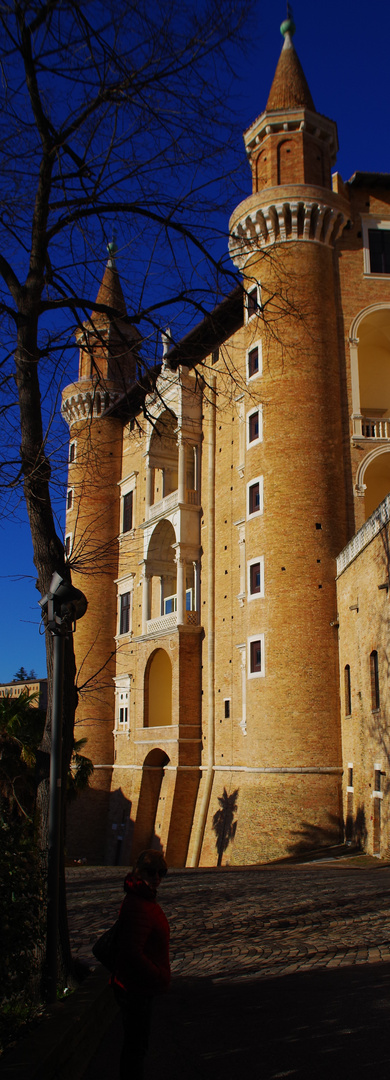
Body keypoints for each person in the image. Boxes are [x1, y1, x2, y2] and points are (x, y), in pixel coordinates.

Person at [111, 849, 170, 1079]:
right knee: (135, 1049)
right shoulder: (139, 903)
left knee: (136, 1047)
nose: (157, 877)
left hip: (139, 987)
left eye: (162, 872)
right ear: (139, 872)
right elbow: (132, 952)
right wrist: (158, 975)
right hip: (136, 988)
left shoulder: (145, 897)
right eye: (151, 872)